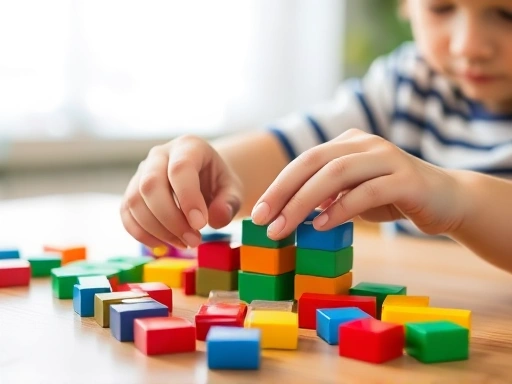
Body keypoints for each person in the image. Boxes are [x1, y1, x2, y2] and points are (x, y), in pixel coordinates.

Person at [120, 0, 512, 274]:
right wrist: (207, 168)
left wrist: (459, 199)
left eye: (506, 13)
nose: (469, 46)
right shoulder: (406, 84)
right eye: (441, 7)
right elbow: (291, 152)